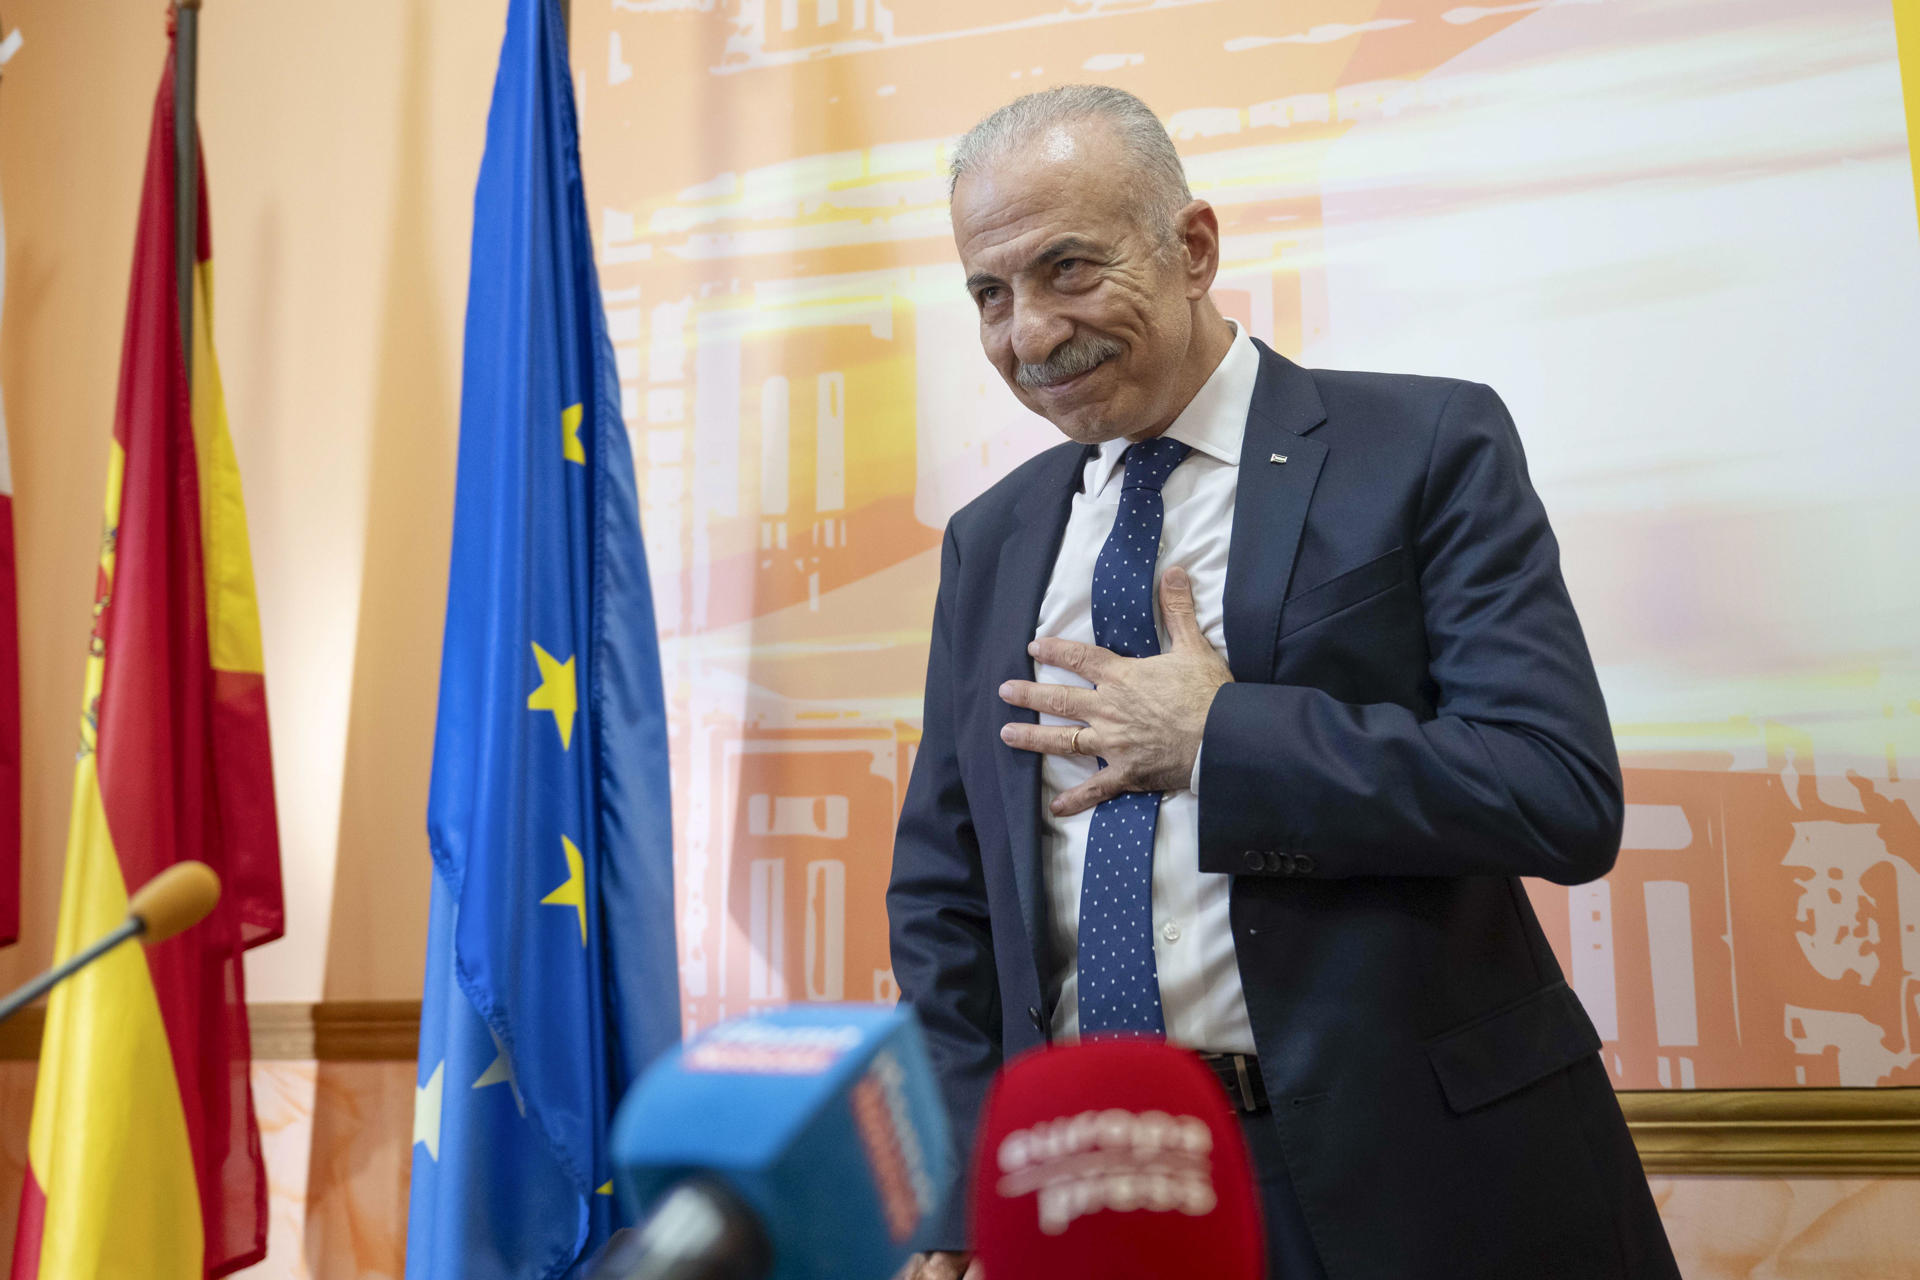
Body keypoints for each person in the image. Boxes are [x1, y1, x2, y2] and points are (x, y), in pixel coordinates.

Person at [886, 85, 1679, 1280]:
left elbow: (1557, 790)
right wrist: (955, 1192)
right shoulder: (991, 539)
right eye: (989, 295)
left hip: (1420, 1179)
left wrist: (1219, 737)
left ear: (1193, 248)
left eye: (1067, 269)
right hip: (1100, 1189)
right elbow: (947, 895)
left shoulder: (1424, 448)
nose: (1030, 334)